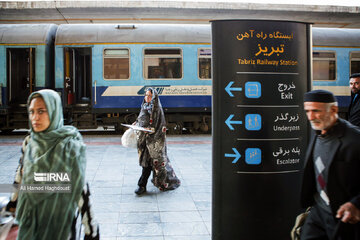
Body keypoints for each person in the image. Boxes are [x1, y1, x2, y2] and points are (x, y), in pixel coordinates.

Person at [6, 89, 99, 239]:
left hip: (60, 224)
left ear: (54, 110)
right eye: (32, 111)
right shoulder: (29, 142)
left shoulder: (68, 145)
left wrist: (91, 232)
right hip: (29, 222)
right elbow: (20, 174)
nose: (35, 117)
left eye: (41, 111)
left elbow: (80, 189)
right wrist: (13, 202)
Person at [300, 89, 360, 240]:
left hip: (343, 218)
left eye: (316, 111)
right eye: (307, 111)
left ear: (334, 109)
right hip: (318, 213)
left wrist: (356, 204)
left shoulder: (354, 140)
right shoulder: (318, 131)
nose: (311, 117)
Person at [133, 87, 181, 195]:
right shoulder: (144, 107)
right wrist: (136, 124)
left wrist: (150, 131)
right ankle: (142, 185)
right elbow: (140, 120)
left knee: (157, 165)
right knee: (147, 164)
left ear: (154, 97)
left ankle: (147, 184)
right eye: (146, 95)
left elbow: (161, 126)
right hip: (145, 142)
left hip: (155, 143)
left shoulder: (157, 109)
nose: (147, 98)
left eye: (149, 96)